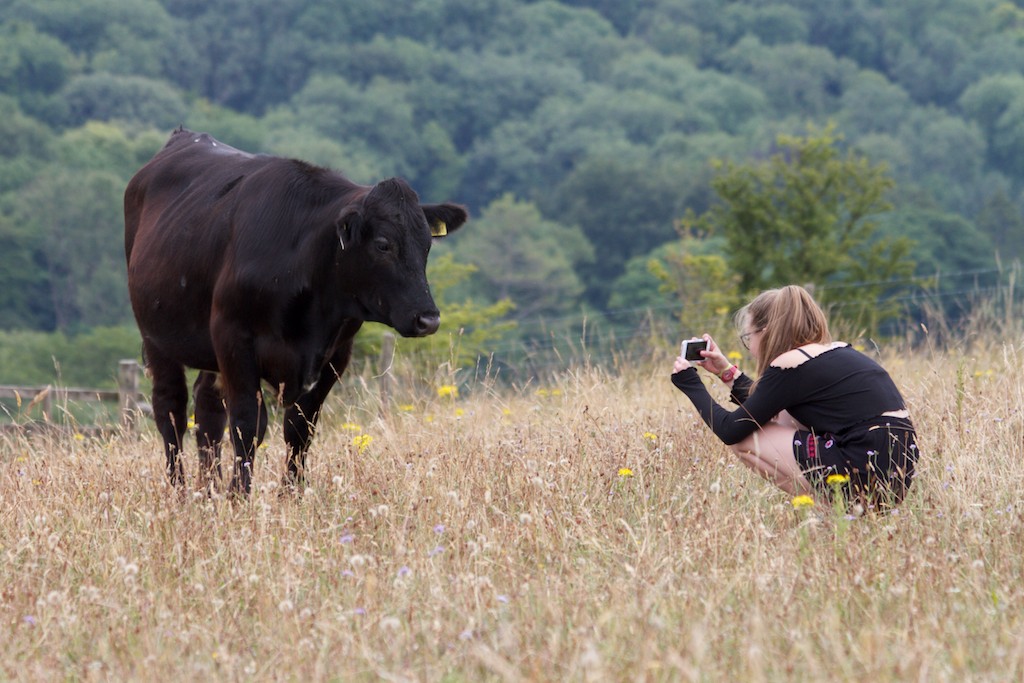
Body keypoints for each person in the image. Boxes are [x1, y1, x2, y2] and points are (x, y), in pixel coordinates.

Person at [671, 285, 919, 509]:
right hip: (897, 467)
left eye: (748, 337)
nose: (750, 345)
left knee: (746, 441)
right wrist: (726, 372)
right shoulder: (831, 352)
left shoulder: (790, 362)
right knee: (787, 418)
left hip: (861, 462)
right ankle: (848, 513)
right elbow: (768, 405)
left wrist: (691, 383)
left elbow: (731, 430)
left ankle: (830, 513)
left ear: (765, 332)